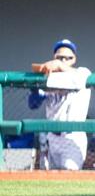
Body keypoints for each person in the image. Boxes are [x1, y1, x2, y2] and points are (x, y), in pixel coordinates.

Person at [28, 39, 91, 170]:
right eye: (59, 57)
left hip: (73, 136)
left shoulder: (82, 72)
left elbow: (82, 78)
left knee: (70, 176)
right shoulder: (49, 79)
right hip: (52, 138)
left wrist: (59, 65)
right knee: (51, 181)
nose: (63, 60)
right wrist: (34, 88)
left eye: (68, 58)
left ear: (74, 59)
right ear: (53, 58)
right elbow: (33, 104)